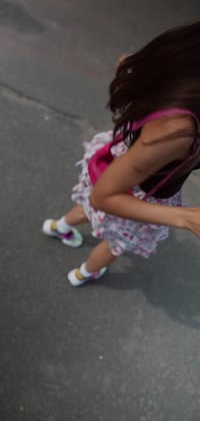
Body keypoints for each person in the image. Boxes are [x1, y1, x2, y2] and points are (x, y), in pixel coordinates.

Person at [42, 21, 200, 286]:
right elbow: (105, 196)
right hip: (139, 195)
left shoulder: (169, 71)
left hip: (114, 160)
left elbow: (124, 67)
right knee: (116, 242)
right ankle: (85, 273)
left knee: (89, 208)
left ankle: (60, 227)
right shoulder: (178, 131)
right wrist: (186, 217)